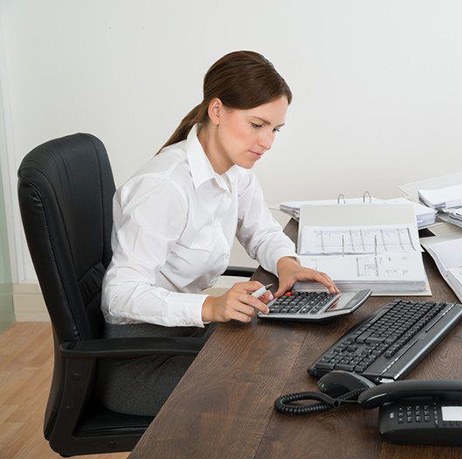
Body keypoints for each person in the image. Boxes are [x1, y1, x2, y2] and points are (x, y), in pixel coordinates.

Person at [97, 51, 337, 416]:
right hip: (143, 361)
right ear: (217, 111)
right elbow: (119, 295)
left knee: (297, 355)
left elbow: (261, 230)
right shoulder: (164, 186)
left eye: (275, 129)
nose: (267, 142)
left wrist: (286, 263)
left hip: (184, 337)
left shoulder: (234, 171)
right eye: (257, 125)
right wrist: (210, 305)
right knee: (278, 386)